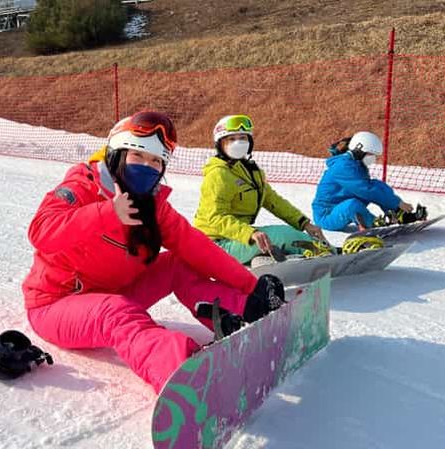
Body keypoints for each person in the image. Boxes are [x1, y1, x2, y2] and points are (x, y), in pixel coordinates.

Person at [22, 111, 285, 393]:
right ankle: (183, 375)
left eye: (156, 161)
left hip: (115, 291)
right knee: (116, 313)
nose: (147, 166)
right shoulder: (83, 187)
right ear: (117, 154)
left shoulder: (152, 203)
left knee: (178, 263)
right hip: (56, 304)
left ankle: (246, 313)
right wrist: (108, 212)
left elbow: (197, 247)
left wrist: (250, 286)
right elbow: (41, 230)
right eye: (138, 156)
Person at [193, 114, 329, 264]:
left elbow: (273, 201)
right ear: (221, 144)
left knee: (282, 235)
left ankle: (316, 252)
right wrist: (251, 233)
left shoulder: (250, 170)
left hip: (234, 238)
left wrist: (304, 224)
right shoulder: (218, 174)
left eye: (243, 138)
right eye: (231, 139)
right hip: (213, 245)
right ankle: (324, 255)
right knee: (281, 235)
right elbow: (215, 218)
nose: (238, 143)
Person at [312, 131, 426, 232]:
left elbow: (372, 187)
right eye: (370, 154)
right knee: (353, 204)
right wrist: (397, 202)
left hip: (342, 205)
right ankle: (375, 223)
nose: (373, 158)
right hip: (327, 215)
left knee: (377, 185)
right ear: (359, 150)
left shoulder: (357, 164)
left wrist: (396, 205)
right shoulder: (342, 166)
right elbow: (366, 189)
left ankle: (398, 214)